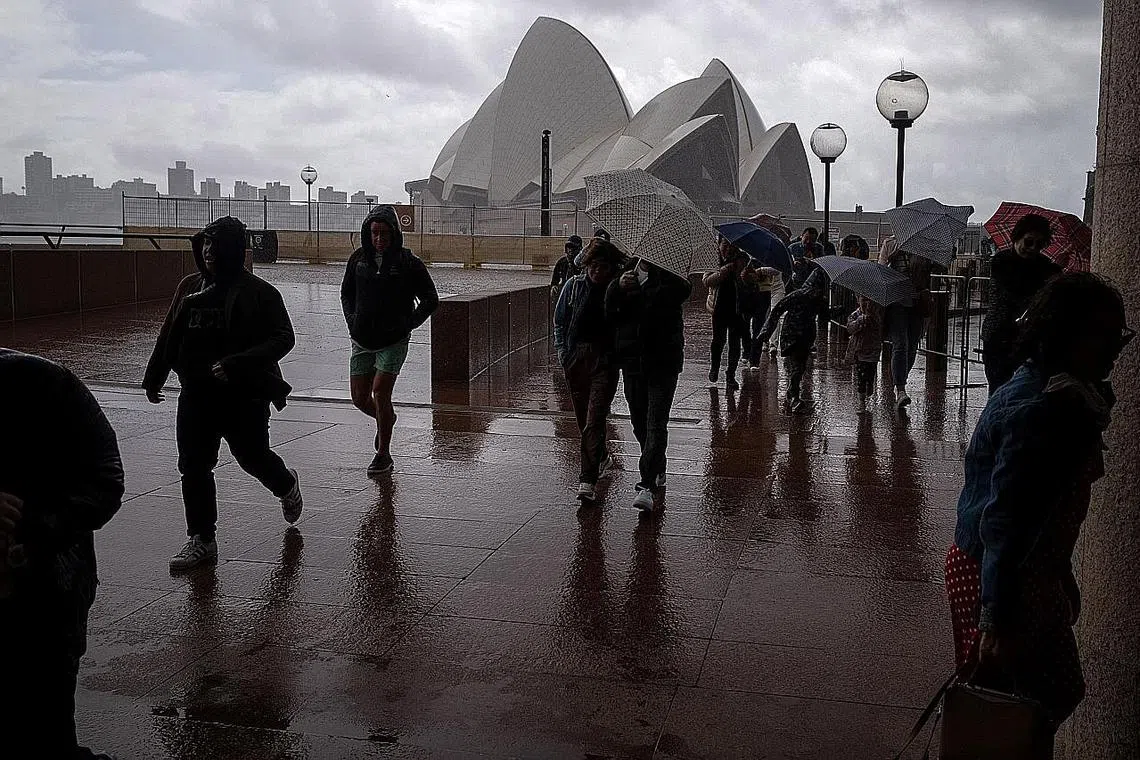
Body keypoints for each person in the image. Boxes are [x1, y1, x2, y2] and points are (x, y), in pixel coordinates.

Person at [946, 273, 1133, 735]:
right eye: (1105, 336)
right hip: (1002, 571)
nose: (1115, 350)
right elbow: (1004, 520)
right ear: (1066, 334)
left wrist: (1059, 569)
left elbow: (1040, 509)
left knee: (1014, 699)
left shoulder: (1058, 392)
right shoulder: (1039, 409)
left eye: (1120, 337)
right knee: (1021, 699)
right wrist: (995, 616)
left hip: (1020, 567)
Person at [143, 216, 303, 572]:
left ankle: (286, 484)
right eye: (206, 244)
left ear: (233, 250)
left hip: (244, 395)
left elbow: (284, 338)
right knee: (194, 465)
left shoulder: (260, 293)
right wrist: (155, 375)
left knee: (251, 456)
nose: (209, 252)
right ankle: (202, 538)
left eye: (217, 246)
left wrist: (239, 363)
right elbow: (169, 333)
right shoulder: (189, 287)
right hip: (196, 394)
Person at [0, 349, 124, 759]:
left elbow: (105, 481)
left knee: (43, 716)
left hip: (47, 587)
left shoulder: (42, 384)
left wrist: (30, 530)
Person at [341, 205, 439, 475]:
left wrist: (407, 324)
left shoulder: (408, 263)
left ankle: (383, 454)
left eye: (384, 233)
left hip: (393, 340)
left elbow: (431, 299)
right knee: (360, 398)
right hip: (362, 339)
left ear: (394, 233)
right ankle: (387, 418)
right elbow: (347, 293)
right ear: (367, 233)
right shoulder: (358, 260)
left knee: (381, 392)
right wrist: (352, 321)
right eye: (374, 233)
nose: (379, 239)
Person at [605, 257, 692, 512]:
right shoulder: (625, 271)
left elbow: (681, 292)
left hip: (663, 363)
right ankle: (657, 465)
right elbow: (610, 311)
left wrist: (652, 280)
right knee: (639, 421)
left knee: (656, 423)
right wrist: (617, 286)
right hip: (632, 361)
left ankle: (647, 484)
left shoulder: (672, 276)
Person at [554, 239, 625, 503]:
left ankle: (587, 480)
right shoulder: (573, 287)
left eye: (603, 266)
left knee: (595, 419)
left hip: (605, 361)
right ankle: (601, 456)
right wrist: (564, 354)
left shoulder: (617, 289)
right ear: (586, 265)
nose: (597, 271)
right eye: (593, 265)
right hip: (577, 359)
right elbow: (559, 321)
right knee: (584, 420)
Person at [981, 213, 1062, 394]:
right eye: (1028, 242)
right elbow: (1016, 291)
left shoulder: (1044, 265)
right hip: (998, 337)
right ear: (1017, 237)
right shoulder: (1002, 261)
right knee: (998, 390)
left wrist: (1056, 271)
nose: (1032, 248)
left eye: (1039, 245)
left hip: (1028, 339)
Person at [757, 259, 829, 413]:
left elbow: (825, 315)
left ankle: (791, 392)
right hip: (792, 335)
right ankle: (794, 397)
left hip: (806, 337)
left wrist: (838, 311)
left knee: (800, 367)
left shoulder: (818, 300)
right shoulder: (798, 295)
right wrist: (767, 331)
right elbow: (778, 309)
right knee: (796, 367)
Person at [878, 235, 936, 411]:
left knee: (912, 346)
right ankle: (900, 388)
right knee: (900, 344)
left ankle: (900, 378)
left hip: (917, 302)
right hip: (897, 302)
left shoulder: (923, 245)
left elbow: (930, 271)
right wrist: (894, 256)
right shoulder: (890, 243)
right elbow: (881, 270)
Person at [703, 240, 751, 390]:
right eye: (725, 245)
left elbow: (748, 284)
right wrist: (723, 271)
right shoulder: (713, 259)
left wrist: (742, 275)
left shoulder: (743, 260)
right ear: (719, 245)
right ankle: (714, 367)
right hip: (719, 308)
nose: (728, 249)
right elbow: (706, 281)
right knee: (718, 341)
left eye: (732, 245)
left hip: (737, 308)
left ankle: (730, 374)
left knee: (734, 343)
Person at [845, 296, 883, 413]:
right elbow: (850, 328)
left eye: (869, 301)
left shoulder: (877, 315)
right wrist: (860, 321)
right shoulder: (855, 315)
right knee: (861, 376)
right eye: (864, 300)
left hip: (873, 351)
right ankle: (861, 402)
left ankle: (869, 385)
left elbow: (881, 329)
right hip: (860, 351)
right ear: (858, 301)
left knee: (870, 374)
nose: (867, 303)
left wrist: (873, 319)